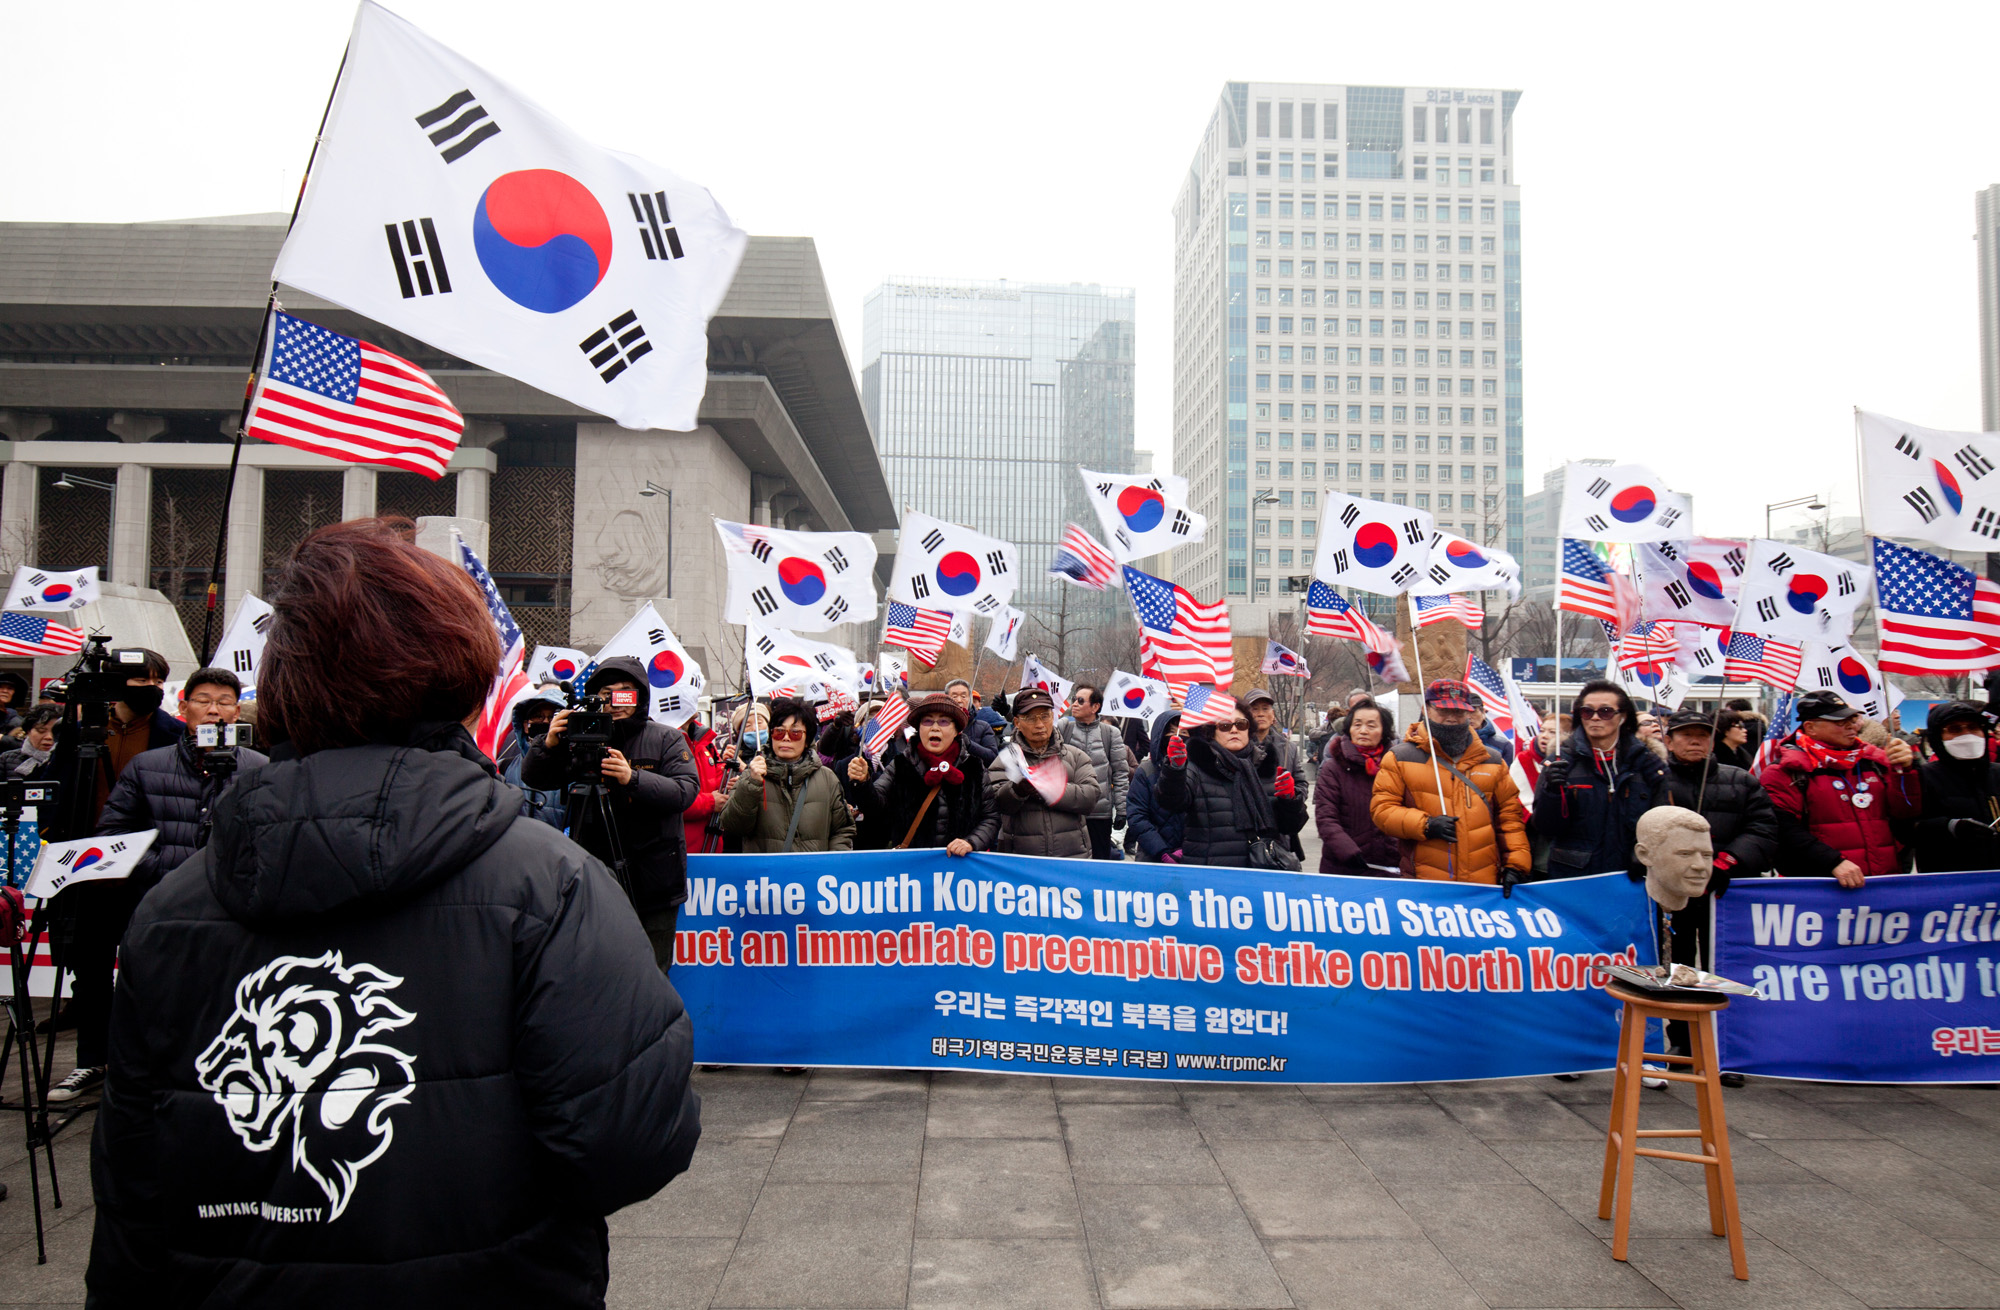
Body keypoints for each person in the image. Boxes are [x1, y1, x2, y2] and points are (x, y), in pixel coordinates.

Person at [86, 518, 699, 1304]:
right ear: (459, 669)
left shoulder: (172, 907)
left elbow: (131, 1206)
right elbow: (635, 1143)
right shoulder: (552, 884)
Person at [43, 646, 179, 1094]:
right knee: (91, 970)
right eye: (143, 681)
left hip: (146, 870)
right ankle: (90, 1060)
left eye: (159, 682)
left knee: (150, 970)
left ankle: (146, 1063)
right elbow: (60, 794)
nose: (152, 690)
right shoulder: (81, 733)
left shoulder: (172, 734)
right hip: (88, 869)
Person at [521, 658, 701, 972]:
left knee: (651, 973)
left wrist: (632, 778)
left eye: (625, 694)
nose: (615, 703)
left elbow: (685, 791)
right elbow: (536, 779)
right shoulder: (579, 735)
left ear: (641, 697)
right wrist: (548, 744)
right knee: (597, 970)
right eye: (606, 694)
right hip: (595, 877)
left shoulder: (666, 738)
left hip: (654, 883)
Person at [1655, 707, 1778, 1063]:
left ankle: (1726, 1044)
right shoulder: (1656, 780)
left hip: (1723, 893)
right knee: (1675, 964)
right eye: (1685, 735)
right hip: (1674, 892)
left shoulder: (1741, 780)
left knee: (1723, 966)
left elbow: (1763, 829)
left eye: (1703, 735)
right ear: (1669, 739)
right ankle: (1681, 1038)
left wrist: (1728, 862)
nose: (1695, 741)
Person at [1372, 680, 1530, 884]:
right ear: (1426, 709)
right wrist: (1425, 825)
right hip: (1425, 881)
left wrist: (1516, 865)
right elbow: (1382, 810)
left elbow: (1510, 819)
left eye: (1459, 711)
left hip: (1483, 882)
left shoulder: (1492, 760)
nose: (1451, 717)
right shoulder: (1400, 757)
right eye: (1443, 710)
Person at [1761, 690, 1920, 887]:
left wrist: (1905, 771)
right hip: (1822, 888)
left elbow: (1906, 812)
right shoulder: (1786, 771)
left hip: (1881, 882)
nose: (1851, 727)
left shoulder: (1876, 762)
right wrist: (1833, 861)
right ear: (1810, 727)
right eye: (1839, 722)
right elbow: (1785, 831)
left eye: (1852, 720)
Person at [1532, 679, 1668, 878]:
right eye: (1587, 712)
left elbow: (1663, 820)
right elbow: (1546, 827)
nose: (1595, 718)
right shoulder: (1560, 762)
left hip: (1634, 875)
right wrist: (1552, 793)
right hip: (1574, 877)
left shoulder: (1648, 763)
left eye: (1605, 711)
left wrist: (1647, 854)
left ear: (1623, 716)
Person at [1154, 704, 1307, 867]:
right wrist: (1174, 770)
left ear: (1249, 729)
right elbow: (1171, 802)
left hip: (1262, 875)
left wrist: (1290, 799)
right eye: (1225, 726)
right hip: (1212, 877)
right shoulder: (1197, 768)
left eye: (1241, 724)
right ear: (1213, 732)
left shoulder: (1268, 768)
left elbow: (1291, 826)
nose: (1234, 730)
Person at [844, 693, 996, 853]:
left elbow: (991, 817)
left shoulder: (974, 767)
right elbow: (874, 806)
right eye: (927, 721)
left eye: (943, 721)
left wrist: (971, 842)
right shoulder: (900, 765)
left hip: (960, 869)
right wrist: (862, 783)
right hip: (911, 872)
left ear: (956, 730)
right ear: (919, 728)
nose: (934, 727)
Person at [721, 697, 856, 852]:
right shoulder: (752, 775)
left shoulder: (827, 778)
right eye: (779, 732)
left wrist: (830, 865)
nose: (786, 738)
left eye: (795, 733)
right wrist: (751, 785)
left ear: (807, 740)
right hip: (766, 874)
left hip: (815, 874)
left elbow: (842, 830)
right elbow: (733, 827)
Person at [987, 688, 1100, 857]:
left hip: (1073, 857)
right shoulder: (1005, 760)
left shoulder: (1075, 756)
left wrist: (1046, 787)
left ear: (1053, 717)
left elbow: (1090, 798)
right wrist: (1018, 790)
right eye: (1030, 718)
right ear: (1017, 722)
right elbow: (996, 804)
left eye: (1045, 716)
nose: (1039, 725)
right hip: (1022, 861)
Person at [1910, 701, 2000, 872]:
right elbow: (1906, 829)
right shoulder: (1923, 776)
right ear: (1937, 737)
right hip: (1950, 882)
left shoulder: (1998, 773)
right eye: (1955, 729)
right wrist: (1950, 827)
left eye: (1973, 727)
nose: (1967, 735)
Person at [1315, 699, 1400, 875]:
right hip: (1344, 866)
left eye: (1371, 725)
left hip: (1390, 866)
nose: (1363, 731)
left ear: (1384, 731)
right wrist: (1347, 851)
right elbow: (1326, 818)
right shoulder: (1333, 768)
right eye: (1357, 724)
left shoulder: (1396, 765)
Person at [1060, 684, 1130, 859]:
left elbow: (1121, 773)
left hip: (1100, 814)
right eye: (1074, 699)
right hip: (1069, 811)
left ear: (1095, 707)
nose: (1074, 704)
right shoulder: (1063, 728)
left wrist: (1122, 810)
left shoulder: (1110, 733)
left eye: (1080, 700)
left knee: (1099, 865)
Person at [1243, 688, 1309, 854]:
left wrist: (1291, 794)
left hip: (1279, 829)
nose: (1260, 714)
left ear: (1273, 715)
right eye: (1254, 709)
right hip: (1247, 827)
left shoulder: (1288, 748)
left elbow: (1302, 783)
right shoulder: (1238, 745)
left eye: (1265, 709)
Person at [1125, 709, 1187, 862]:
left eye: (1184, 733)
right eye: (1170, 734)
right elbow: (1137, 816)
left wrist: (1186, 848)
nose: (1178, 738)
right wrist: (1161, 852)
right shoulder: (1145, 771)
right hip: (1151, 857)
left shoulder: (1198, 771)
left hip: (1191, 857)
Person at [500, 688, 567, 829]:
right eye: (538, 716)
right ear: (525, 725)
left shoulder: (574, 770)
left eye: (553, 717)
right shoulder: (503, 768)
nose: (546, 722)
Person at [681, 709, 735, 855]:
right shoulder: (662, 739)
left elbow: (716, 778)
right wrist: (710, 802)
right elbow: (664, 798)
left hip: (710, 849)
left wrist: (730, 781)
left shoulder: (703, 739)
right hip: (679, 852)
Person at [945, 678, 1000, 764]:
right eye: (954, 696)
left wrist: (969, 744)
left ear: (969, 700)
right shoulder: (937, 725)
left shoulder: (983, 727)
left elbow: (992, 758)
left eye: (963, 696)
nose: (959, 700)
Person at [0, 702, 58, 778]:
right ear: (28, 731)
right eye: (41, 730)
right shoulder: (6, 759)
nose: (49, 737)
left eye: (56, 731)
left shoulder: (72, 761)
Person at [0, 670, 28, 736]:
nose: (5, 691)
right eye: (0, 687)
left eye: (10, 688)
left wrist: (2, 739)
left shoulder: (16, 722)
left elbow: (21, 742)